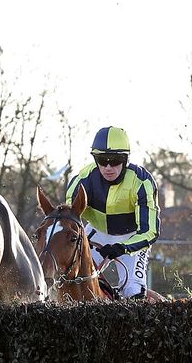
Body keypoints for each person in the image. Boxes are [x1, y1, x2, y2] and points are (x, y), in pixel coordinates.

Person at [65, 126, 160, 299]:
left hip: (132, 238)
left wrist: (122, 247)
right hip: (96, 233)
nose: (108, 167)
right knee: (67, 275)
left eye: (115, 160)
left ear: (126, 159)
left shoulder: (142, 182)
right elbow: (67, 221)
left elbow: (149, 231)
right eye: (102, 160)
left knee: (133, 292)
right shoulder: (82, 181)